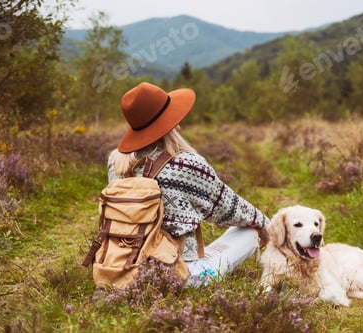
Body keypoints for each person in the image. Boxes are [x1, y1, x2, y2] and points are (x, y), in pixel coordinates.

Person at [107, 82, 270, 286]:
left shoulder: (116, 162)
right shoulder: (187, 164)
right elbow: (229, 209)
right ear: (169, 123)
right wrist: (267, 226)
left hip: (122, 269)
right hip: (182, 275)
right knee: (249, 231)